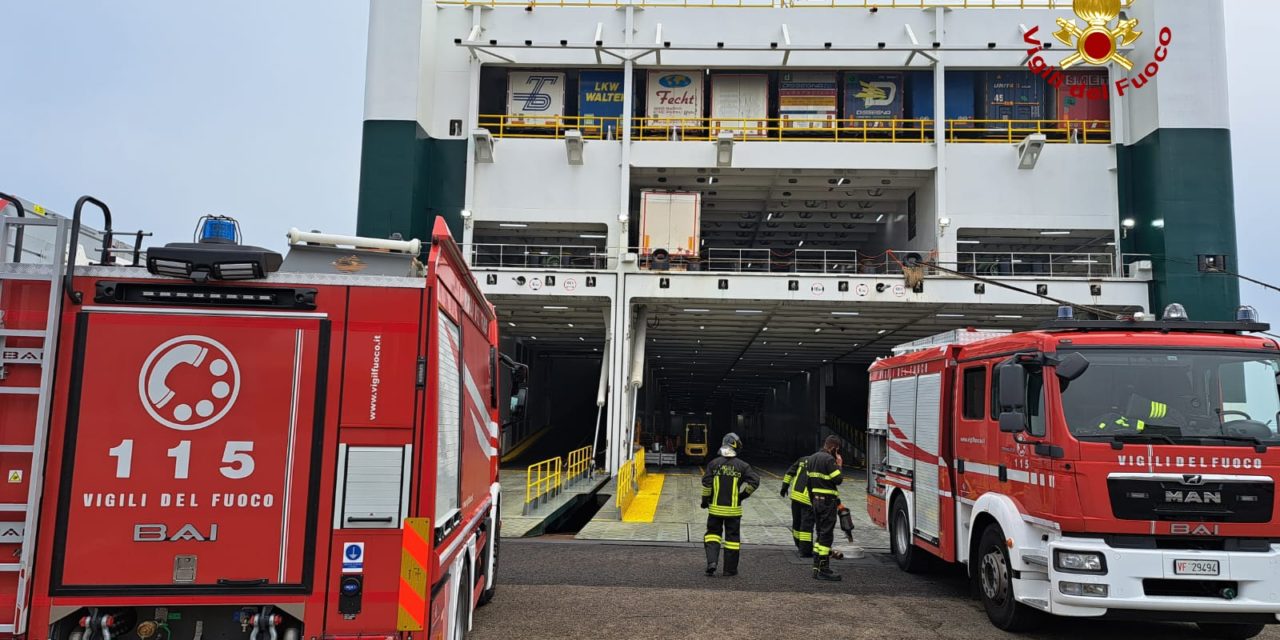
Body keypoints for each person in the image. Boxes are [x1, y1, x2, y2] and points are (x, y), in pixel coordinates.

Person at [700, 433, 760, 577]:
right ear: (736, 446)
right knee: (732, 540)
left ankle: (712, 563)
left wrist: (704, 501)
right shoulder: (743, 466)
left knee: (713, 535)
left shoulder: (713, 464)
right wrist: (742, 496)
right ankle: (729, 570)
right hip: (733, 511)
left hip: (715, 509)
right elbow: (755, 482)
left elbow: (707, 484)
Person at [806, 435, 844, 581]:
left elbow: (808, 484)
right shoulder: (829, 460)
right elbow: (838, 480)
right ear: (833, 448)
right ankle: (824, 569)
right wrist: (839, 464)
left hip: (816, 501)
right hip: (828, 503)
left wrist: (813, 501)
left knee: (820, 533)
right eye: (837, 450)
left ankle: (816, 567)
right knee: (826, 535)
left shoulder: (812, 458)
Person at [781, 455, 813, 557]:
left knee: (796, 523)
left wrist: (784, 487)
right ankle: (805, 551)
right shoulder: (819, 462)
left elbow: (789, 473)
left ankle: (799, 546)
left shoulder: (802, 459)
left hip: (795, 496)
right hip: (807, 498)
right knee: (806, 526)